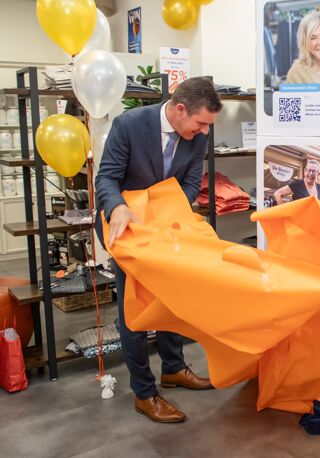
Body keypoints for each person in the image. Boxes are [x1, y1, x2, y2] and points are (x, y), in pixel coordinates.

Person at [95, 77, 223, 423]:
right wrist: (118, 206)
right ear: (180, 109)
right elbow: (106, 177)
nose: (203, 132)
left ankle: (174, 368)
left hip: (165, 225)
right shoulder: (129, 125)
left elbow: (191, 185)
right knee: (135, 306)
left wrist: (166, 216)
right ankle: (144, 392)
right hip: (126, 223)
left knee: (171, 297)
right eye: (200, 123)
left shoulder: (198, 136)